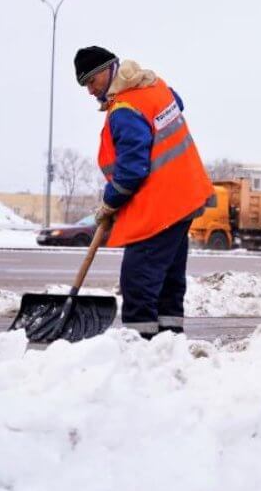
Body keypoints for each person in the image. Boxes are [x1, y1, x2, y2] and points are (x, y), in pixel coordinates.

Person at [73, 45, 214, 339]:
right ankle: (169, 343)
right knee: (168, 281)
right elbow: (177, 103)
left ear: (108, 71)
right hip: (185, 199)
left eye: (91, 82)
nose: (89, 91)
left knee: (138, 282)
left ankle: (142, 350)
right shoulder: (155, 86)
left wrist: (109, 204)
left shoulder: (124, 111)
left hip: (160, 208)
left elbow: (132, 170)